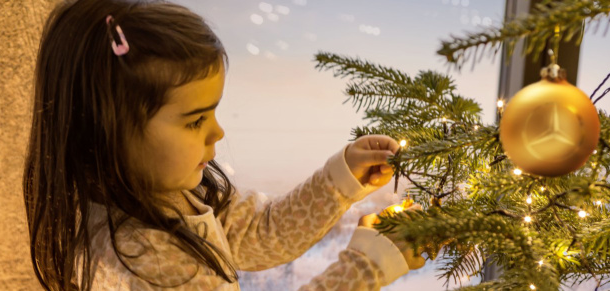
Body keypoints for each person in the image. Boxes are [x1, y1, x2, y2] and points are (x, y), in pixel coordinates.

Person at [22, 0, 426, 290]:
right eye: (196, 119)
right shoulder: (146, 260)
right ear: (106, 130)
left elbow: (260, 231)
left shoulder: (174, 193)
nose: (218, 132)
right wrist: (366, 268)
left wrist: (340, 179)